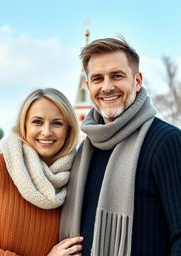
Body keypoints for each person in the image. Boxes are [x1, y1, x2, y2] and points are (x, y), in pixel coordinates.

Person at [60, 37, 181, 256]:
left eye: (117, 76)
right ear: (88, 87)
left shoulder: (167, 141)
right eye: (97, 78)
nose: (107, 87)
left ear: (137, 81)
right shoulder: (84, 152)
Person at [0, 88, 83, 256]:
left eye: (57, 123)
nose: (46, 131)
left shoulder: (78, 175)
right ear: (24, 126)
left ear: (69, 129)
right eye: (37, 122)